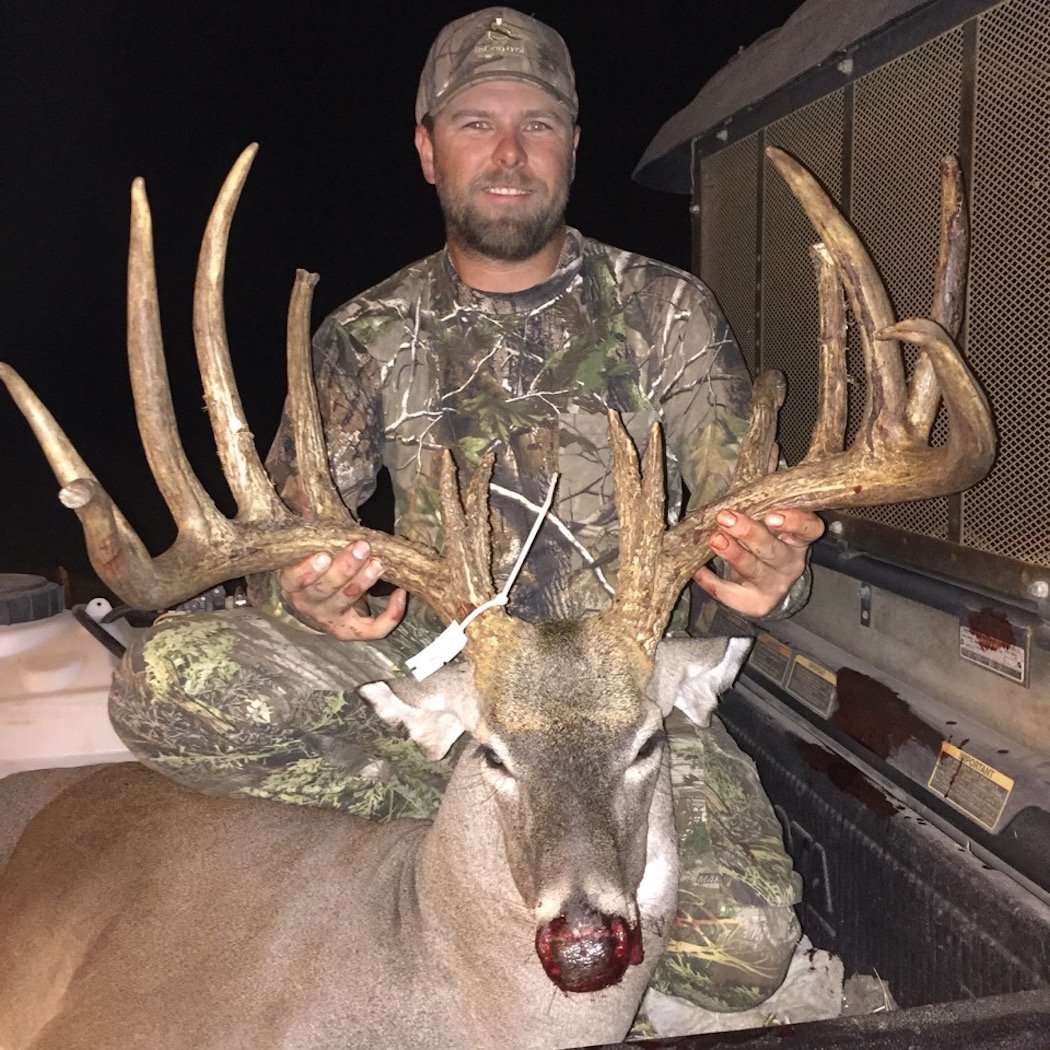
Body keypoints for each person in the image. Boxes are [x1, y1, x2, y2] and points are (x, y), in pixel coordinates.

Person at [111, 7, 824, 1022]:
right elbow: (283, 535)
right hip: (443, 686)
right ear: (427, 148)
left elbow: (739, 529)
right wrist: (304, 593)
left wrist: (771, 580)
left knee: (745, 947)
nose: (507, 151)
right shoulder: (367, 336)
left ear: (573, 145)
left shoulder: (665, 312)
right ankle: (473, 826)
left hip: (613, 713)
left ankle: (491, 832)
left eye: (537, 123)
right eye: (475, 122)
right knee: (161, 686)